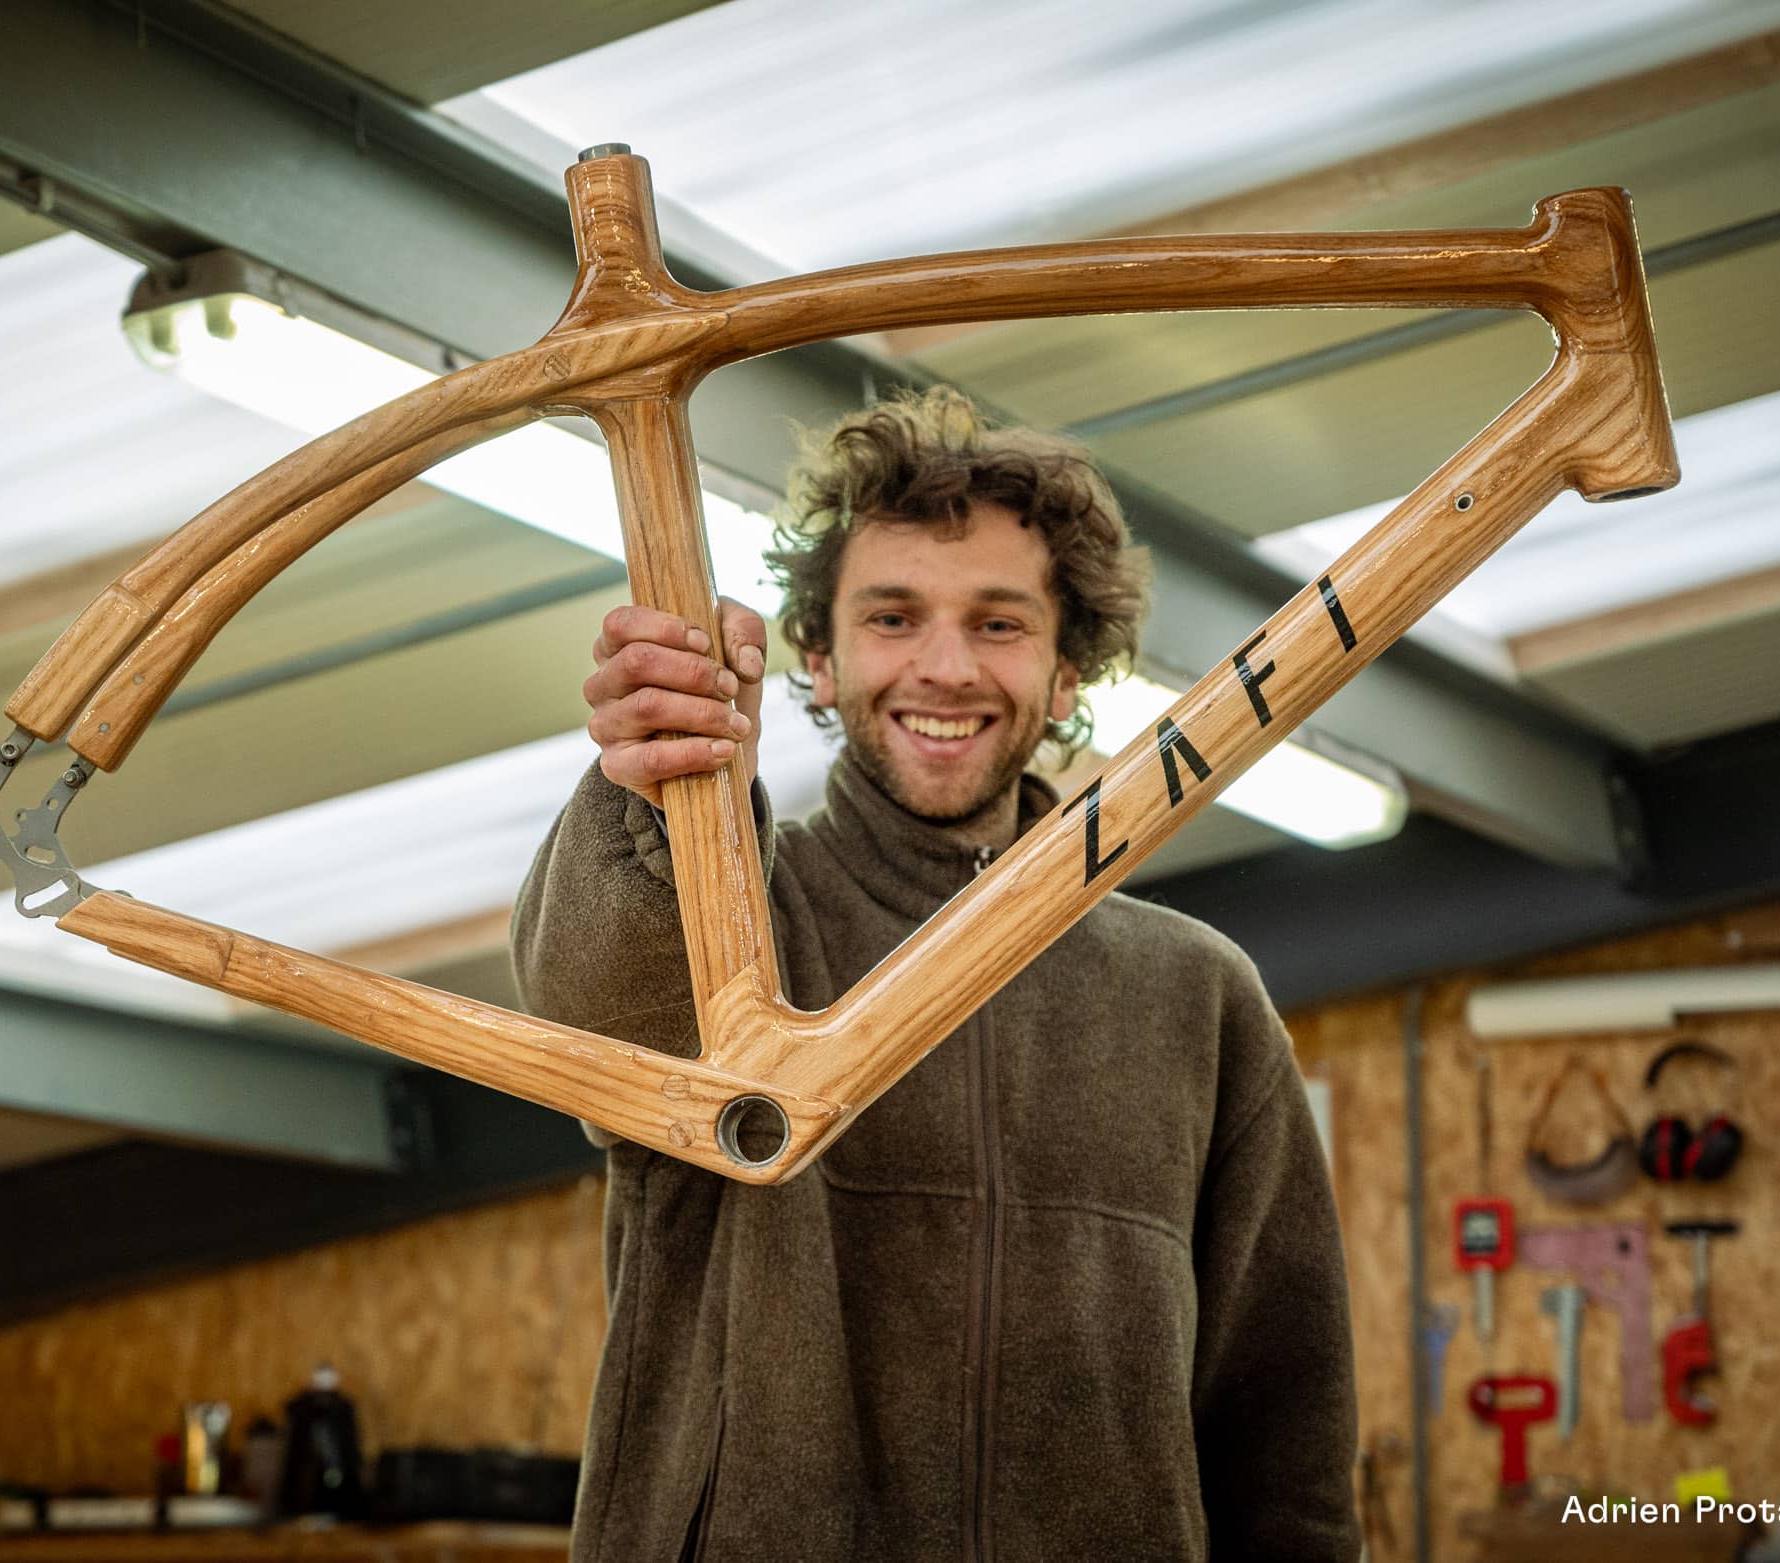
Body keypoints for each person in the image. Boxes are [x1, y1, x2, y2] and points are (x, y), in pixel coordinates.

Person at [510, 387, 1359, 1562]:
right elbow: (590, 1007)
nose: (946, 667)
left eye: (999, 624)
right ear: (818, 660)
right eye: (894, 617)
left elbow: (1286, 1429)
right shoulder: (735, 918)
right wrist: (659, 793)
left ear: (1067, 675)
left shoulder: (1195, 998)